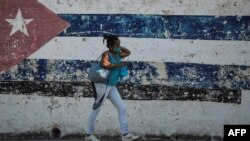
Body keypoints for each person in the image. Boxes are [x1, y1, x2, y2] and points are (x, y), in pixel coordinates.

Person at [85, 35, 140, 141]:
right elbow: (105, 64)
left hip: (111, 86)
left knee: (122, 108)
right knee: (96, 108)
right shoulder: (107, 54)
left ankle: (125, 135)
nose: (119, 47)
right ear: (110, 46)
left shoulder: (117, 54)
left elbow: (128, 52)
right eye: (116, 45)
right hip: (102, 86)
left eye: (119, 44)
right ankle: (89, 135)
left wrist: (118, 46)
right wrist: (119, 64)